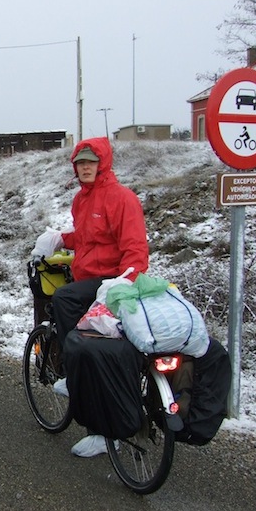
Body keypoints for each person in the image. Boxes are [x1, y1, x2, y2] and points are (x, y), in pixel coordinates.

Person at [32, 136, 149, 457]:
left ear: (103, 164)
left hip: (113, 282)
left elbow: (136, 250)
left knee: (65, 300)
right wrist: (59, 239)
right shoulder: (82, 200)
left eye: (90, 162)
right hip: (91, 278)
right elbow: (87, 239)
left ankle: (73, 371)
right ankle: (81, 379)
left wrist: (125, 280)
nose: (85, 167)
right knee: (76, 311)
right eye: (80, 163)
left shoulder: (122, 199)